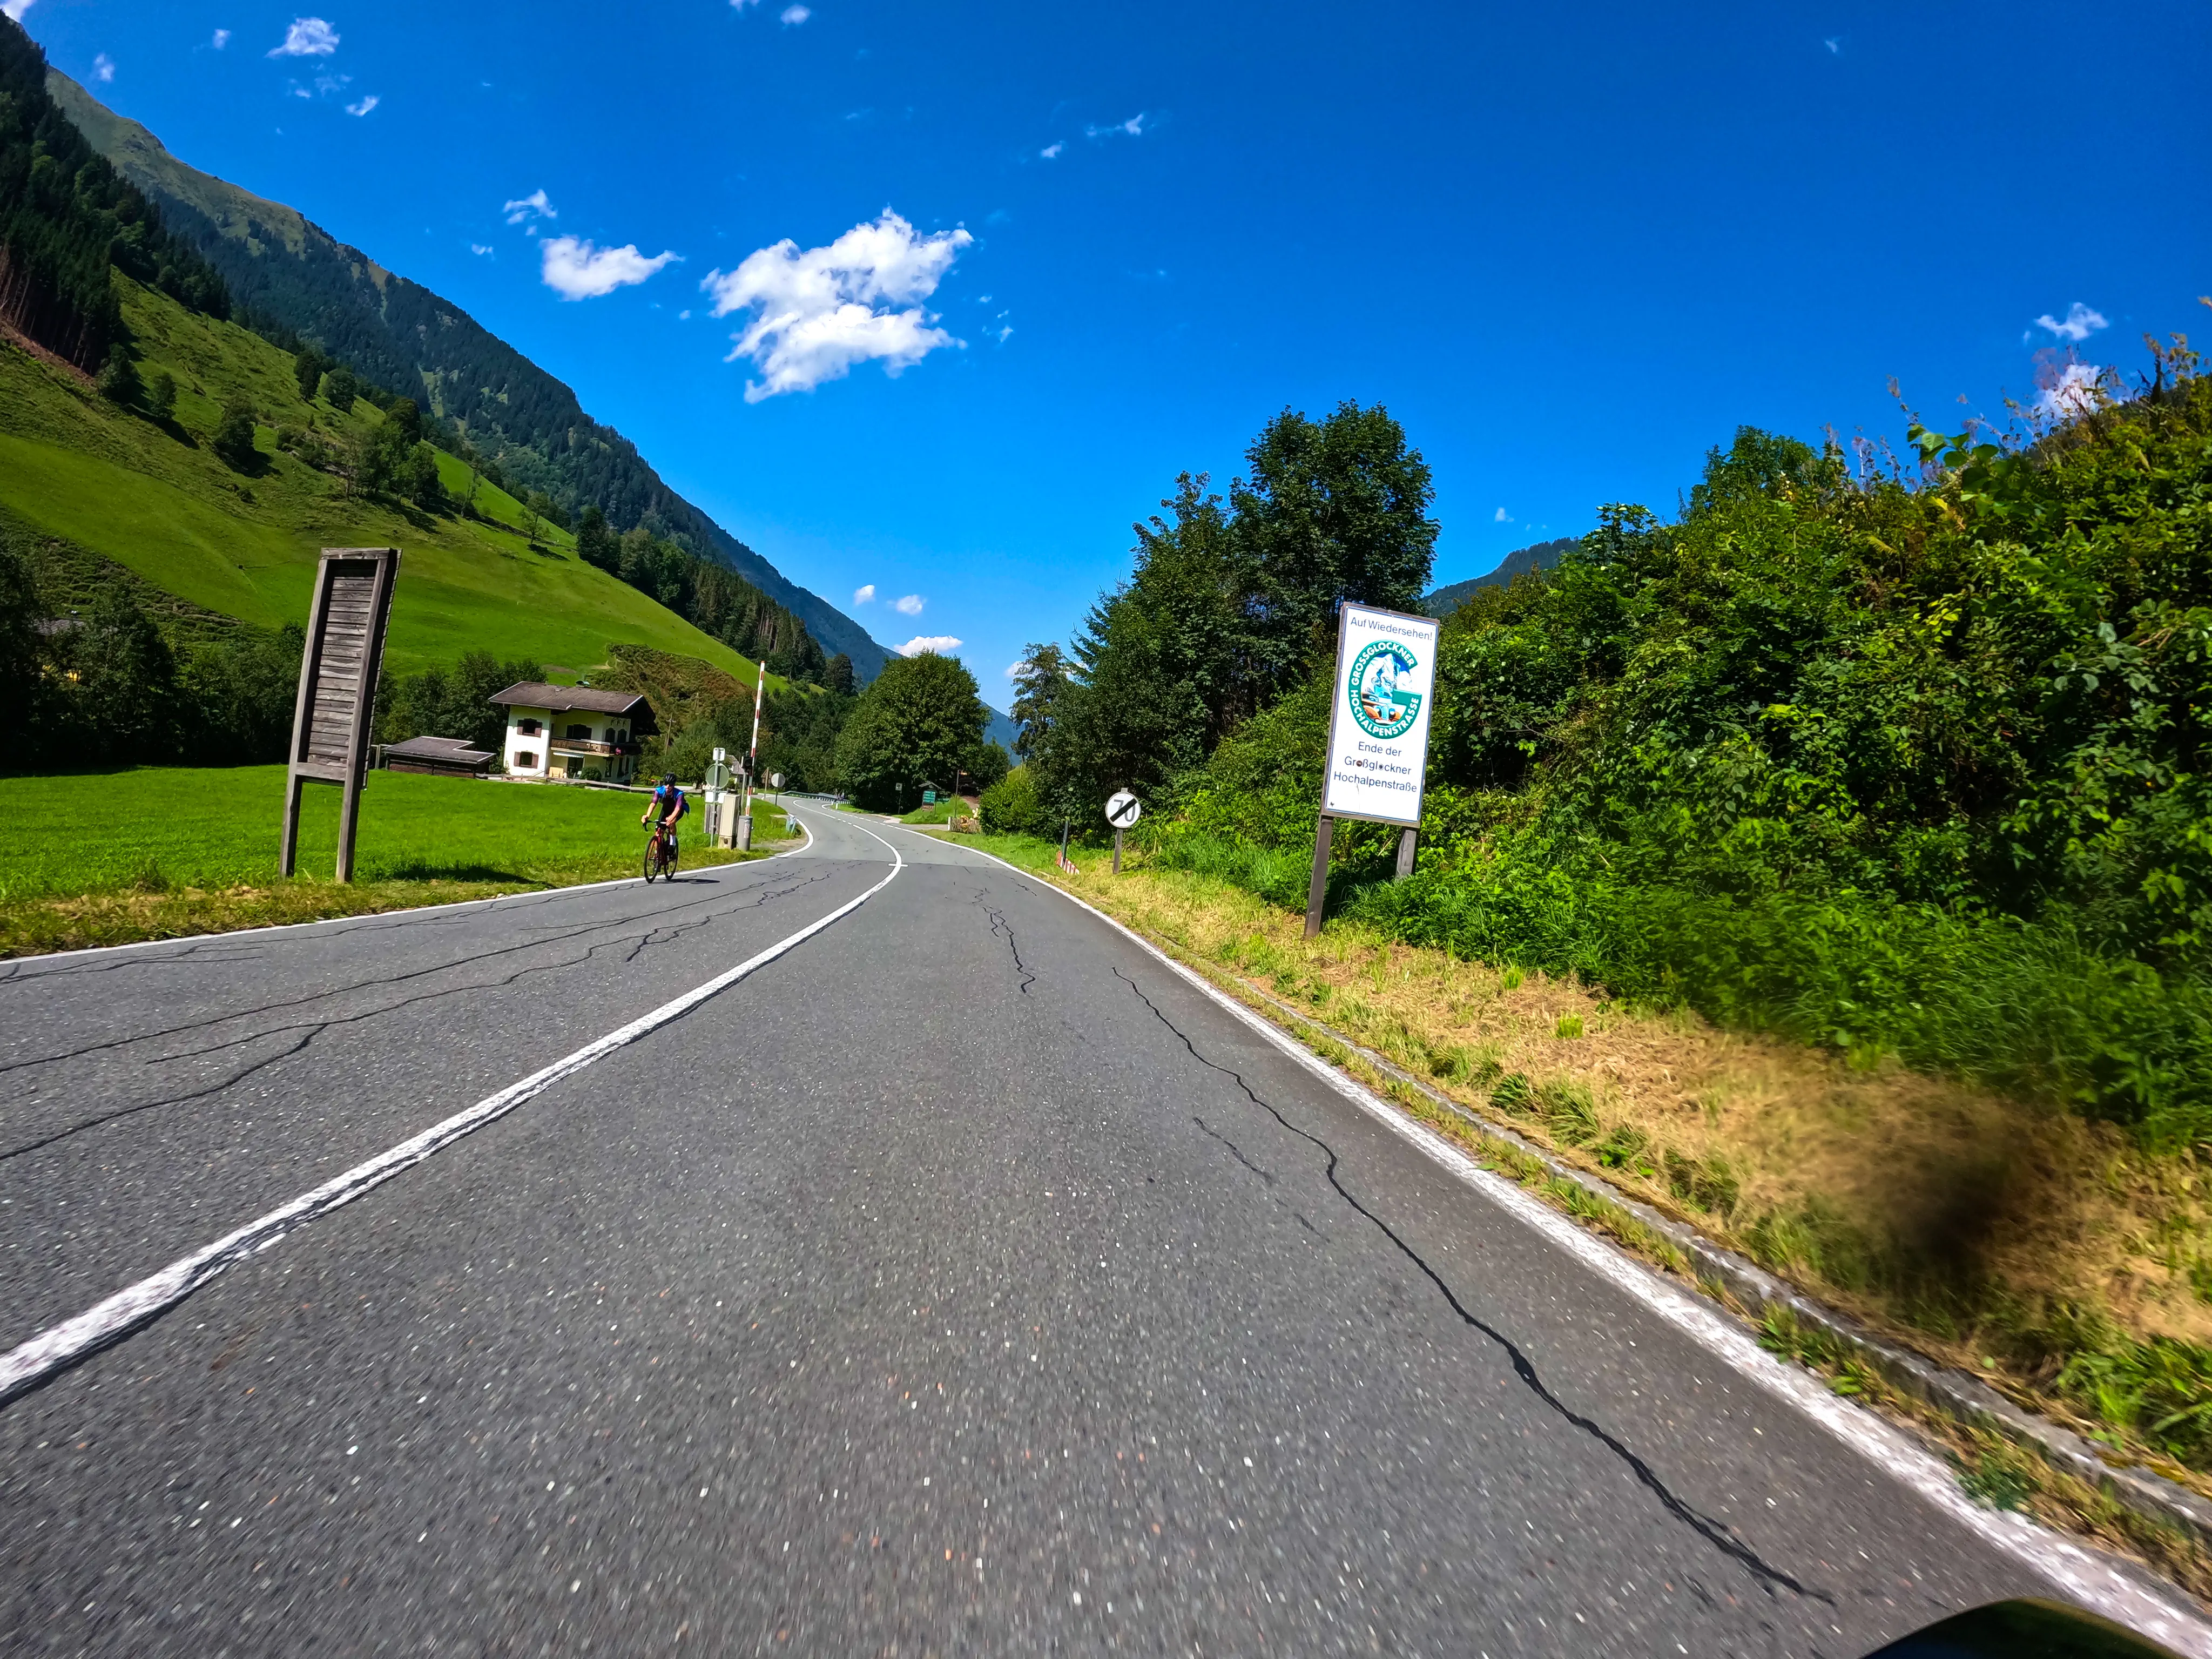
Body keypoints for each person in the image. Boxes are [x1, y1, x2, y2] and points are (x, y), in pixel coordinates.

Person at [641, 774, 688, 839]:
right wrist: (647, 816)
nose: (668, 786)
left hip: (678, 810)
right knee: (659, 830)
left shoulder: (679, 794)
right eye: (666, 783)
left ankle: (673, 842)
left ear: (673, 785)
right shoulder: (659, 791)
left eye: (670, 784)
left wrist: (672, 817)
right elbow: (653, 804)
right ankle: (658, 844)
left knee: (672, 823)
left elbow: (678, 808)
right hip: (666, 809)